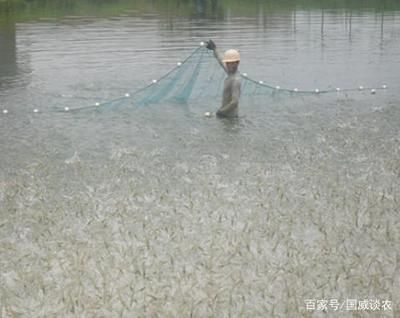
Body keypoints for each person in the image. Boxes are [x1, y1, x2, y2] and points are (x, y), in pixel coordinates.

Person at [206, 40, 241, 118]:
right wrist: (215, 49)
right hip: (225, 116)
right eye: (228, 63)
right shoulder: (230, 73)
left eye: (231, 63)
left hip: (231, 119)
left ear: (237, 63)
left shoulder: (236, 80)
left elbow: (235, 102)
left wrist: (220, 112)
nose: (228, 65)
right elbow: (221, 60)